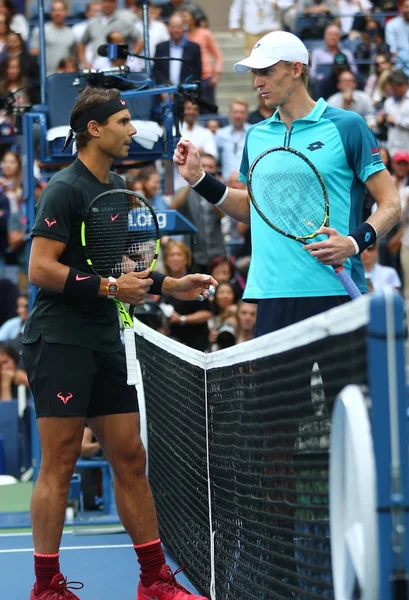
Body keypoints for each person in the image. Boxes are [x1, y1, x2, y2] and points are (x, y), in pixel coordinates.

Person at [22, 85, 215, 600]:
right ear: (95, 129)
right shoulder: (64, 189)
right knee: (58, 463)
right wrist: (110, 287)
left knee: (130, 457)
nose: (134, 131)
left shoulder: (118, 190)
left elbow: (120, 272)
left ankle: (154, 580)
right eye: (125, 122)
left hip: (105, 340)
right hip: (60, 341)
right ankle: (46, 587)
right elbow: (40, 269)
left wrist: (170, 285)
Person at [173, 30, 401, 336]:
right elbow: (254, 209)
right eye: (255, 74)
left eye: (266, 72)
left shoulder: (347, 126)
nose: (257, 83)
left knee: (345, 388)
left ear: (296, 69)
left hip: (334, 290)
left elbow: (391, 203)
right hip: (271, 293)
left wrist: (352, 243)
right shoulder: (256, 136)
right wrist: (200, 180)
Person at [161, 240, 212, 351]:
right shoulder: (161, 283)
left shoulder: (196, 282)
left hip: (196, 342)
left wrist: (182, 319)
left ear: (187, 259)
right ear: (166, 260)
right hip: (171, 343)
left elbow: (207, 313)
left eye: (179, 254)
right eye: (171, 255)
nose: (175, 258)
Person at [152, 13, 202, 86]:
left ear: (184, 28)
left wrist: (187, 93)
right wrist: (164, 88)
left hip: (186, 93)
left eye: (179, 27)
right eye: (173, 27)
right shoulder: (160, 48)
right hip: (165, 92)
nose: (175, 30)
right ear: (168, 28)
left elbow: (197, 72)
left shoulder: (194, 48)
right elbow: (157, 71)